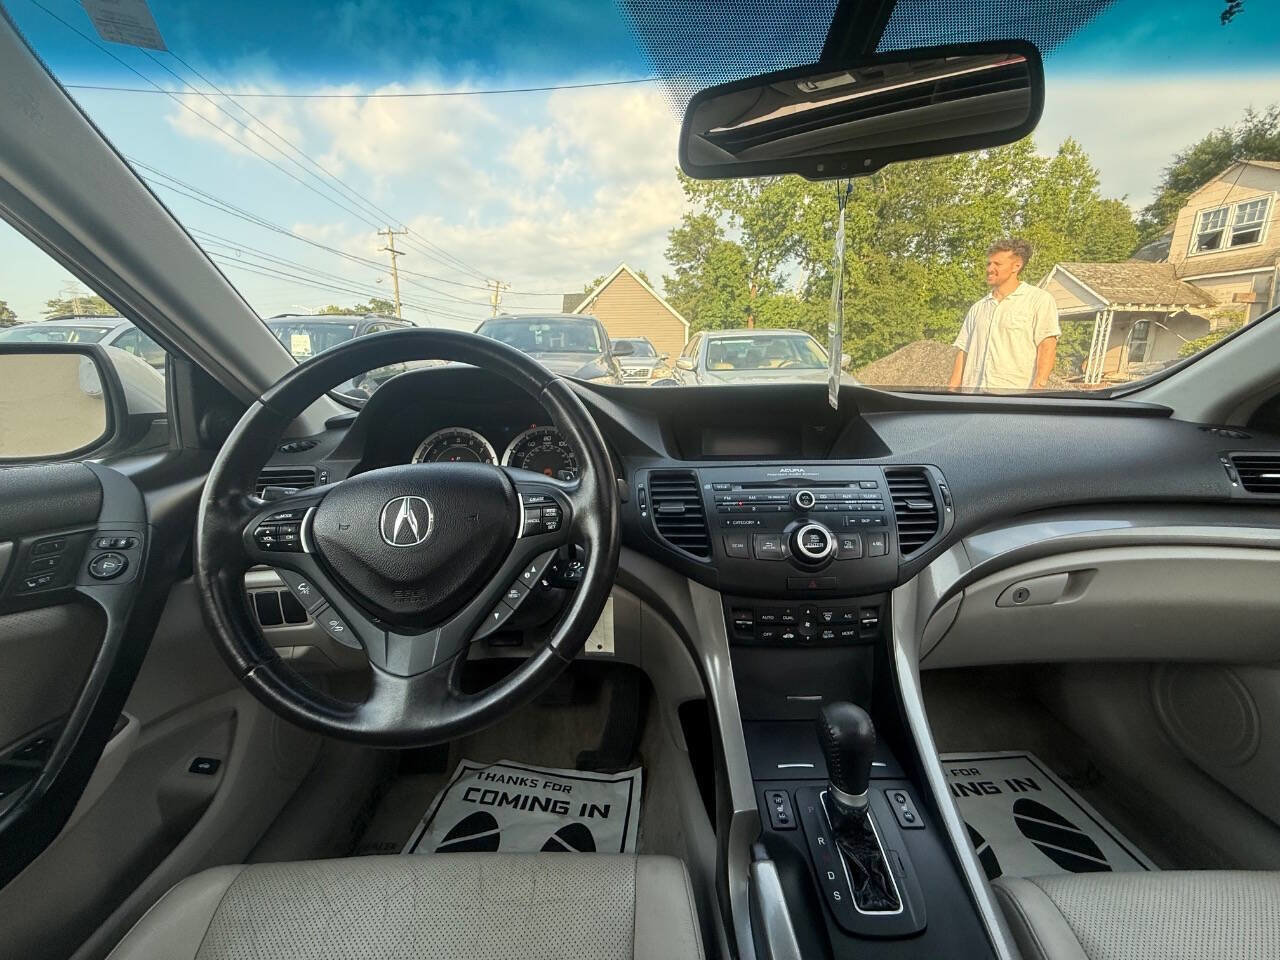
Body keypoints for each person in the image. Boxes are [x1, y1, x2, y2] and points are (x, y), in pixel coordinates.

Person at [948, 238, 1060, 392]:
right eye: (989, 263)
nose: (989, 268)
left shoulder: (1038, 300)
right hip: (973, 397)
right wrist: (952, 391)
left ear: (1016, 266)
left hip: (1013, 398)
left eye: (997, 264)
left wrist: (1037, 390)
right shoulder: (978, 308)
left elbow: (1047, 345)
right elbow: (963, 351)